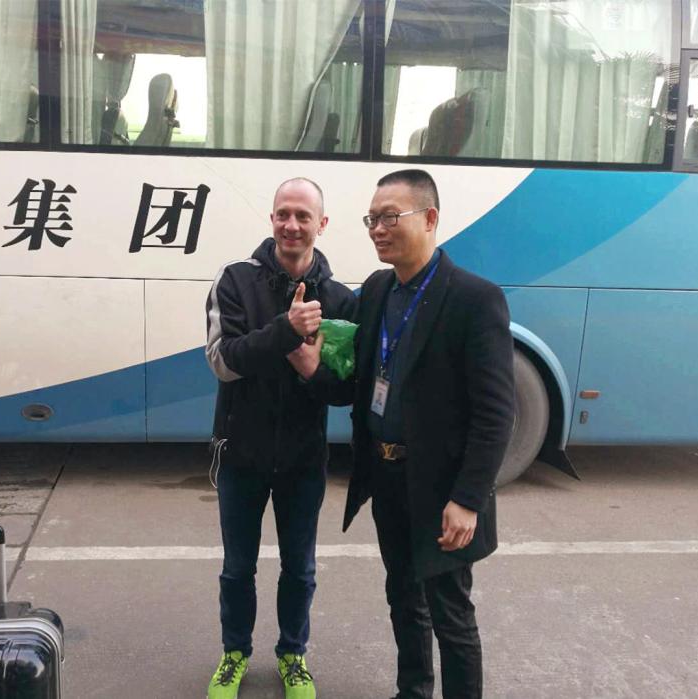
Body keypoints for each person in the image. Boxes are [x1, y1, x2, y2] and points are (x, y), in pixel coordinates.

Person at [288, 169, 515, 699]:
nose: (377, 229)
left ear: (430, 218)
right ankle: (412, 691)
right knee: (403, 599)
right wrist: (312, 371)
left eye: (390, 217)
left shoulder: (474, 299)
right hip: (388, 478)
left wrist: (468, 498)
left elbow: (495, 413)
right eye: (372, 219)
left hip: (441, 487)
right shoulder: (377, 290)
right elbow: (359, 386)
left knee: (450, 613)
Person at [204, 177, 356, 699]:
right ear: (271, 219)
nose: (291, 225)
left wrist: (312, 368)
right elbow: (224, 362)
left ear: (321, 224)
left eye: (303, 216)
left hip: (303, 461)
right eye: (283, 214)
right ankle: (235, 654)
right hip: (241, 456)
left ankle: (293, 654)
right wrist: (286, 331)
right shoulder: (235, 280)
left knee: (300, 569)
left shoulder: (339, 299)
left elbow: (346, 389)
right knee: (236, 569)